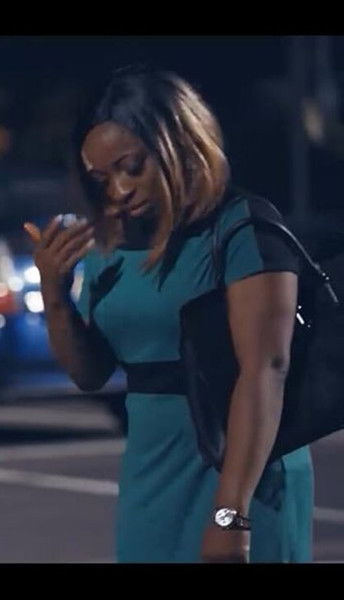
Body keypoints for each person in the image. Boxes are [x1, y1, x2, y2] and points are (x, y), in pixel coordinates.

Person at [24, 65, 313, 563]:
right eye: (102, 178)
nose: (118, 190)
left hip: (244, 480)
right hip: (152, 475)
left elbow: (266, 371)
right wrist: (54, 292)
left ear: (178, 142)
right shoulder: (110, 247)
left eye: (131, 166)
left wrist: (231, 514)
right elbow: (91, 375)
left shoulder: (242, 229)